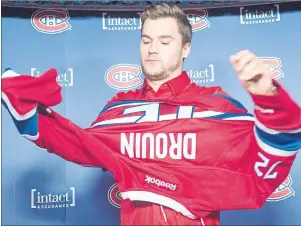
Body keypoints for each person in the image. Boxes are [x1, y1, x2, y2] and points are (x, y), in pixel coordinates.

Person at [2, 3, 301, 226]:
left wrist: (271, 98)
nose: (152, 49)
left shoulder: (216, 106)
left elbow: (274, 150)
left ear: (185, 48)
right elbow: (79, 143)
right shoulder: (120, 107)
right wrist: (21, 101)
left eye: (164, 41)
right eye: (146, 40)